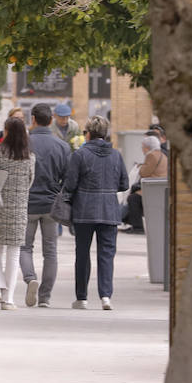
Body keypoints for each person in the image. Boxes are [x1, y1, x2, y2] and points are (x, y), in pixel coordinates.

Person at [61, 115, 128, 311]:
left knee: (82, 254)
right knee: (106, 254)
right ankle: (106, 296)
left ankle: (81, 298)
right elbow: (123, 184)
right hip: (109, 210)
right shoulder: (116, 155)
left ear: (87, 134)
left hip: (84, 210)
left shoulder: (80, 155)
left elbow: (71, 184)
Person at [0, 116, 35, 310]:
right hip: (19, 209)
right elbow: (30, 181)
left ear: (7, 132)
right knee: (13, 254)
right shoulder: (29, 156)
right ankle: (8, 299)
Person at [20, 102, 70, 308]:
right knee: (50, 251)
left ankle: (30, 277)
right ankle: (45, 297)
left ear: (33, 119)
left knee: (24, 247)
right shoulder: (63, 146)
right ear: (51, 120)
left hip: (27, 202)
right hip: (51, 205)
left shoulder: (24, 144)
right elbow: (68, 179)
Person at [121, 134, 168, 235]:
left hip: (152, 189)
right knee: (134, 196)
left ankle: (138, 227)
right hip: (158, 188)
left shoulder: (151, 155)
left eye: (142, 146)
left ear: (147, 147)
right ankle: (132, 223)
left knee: (133, 198)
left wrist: (140, 167)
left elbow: (144, 172)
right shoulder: (162, 154)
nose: (142, 149)